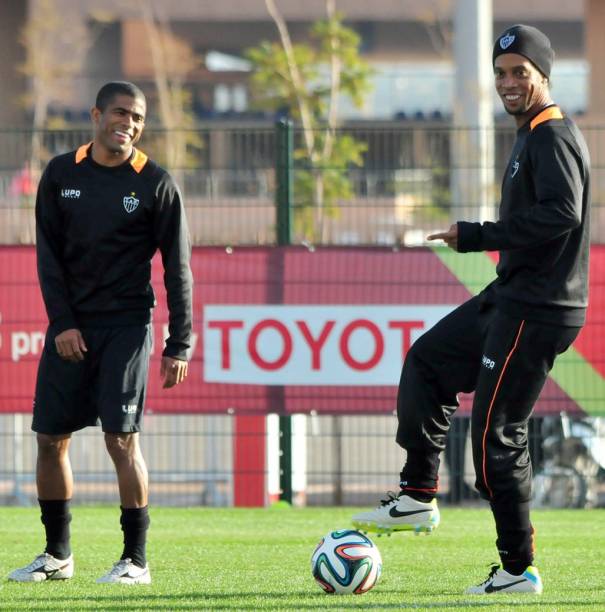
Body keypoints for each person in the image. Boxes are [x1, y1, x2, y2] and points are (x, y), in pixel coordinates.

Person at [352, 24, 590, 595]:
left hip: (539, 306)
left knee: (494, 437)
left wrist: (477, 234)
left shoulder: (552, 134)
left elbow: (564, 213)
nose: (509, 82)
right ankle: (417, 496)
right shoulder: (529, 133)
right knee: (427, 361)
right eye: (502, 73)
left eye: (520, 73)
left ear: (543, 75)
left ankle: (517, 569)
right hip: (512, 295)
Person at [8, 81, 193, 585]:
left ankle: (135, 561)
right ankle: (56, 557)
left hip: (128, 328)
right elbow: (48, 257)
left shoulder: (155, 182)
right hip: (70, 328)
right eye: (120, 113)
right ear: (96, 115)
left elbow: (178, 270)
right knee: (50, 440)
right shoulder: (61, 173)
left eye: (136, 118)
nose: (128, 124)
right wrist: (63, 323)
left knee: (121, 439)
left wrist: (180, 343)